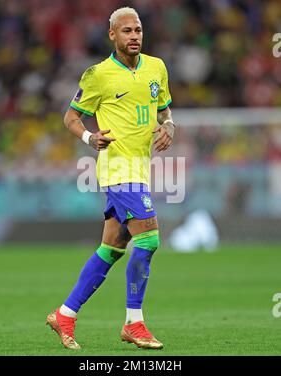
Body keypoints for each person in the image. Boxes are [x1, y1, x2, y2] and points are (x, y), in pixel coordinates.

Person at [46, 7, 175, 350]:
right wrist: (89, 138)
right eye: (127, 31)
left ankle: (65, 314)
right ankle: (134, 322)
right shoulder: (98, 75)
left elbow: (164, 108)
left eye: (138, 30)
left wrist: (169, 126)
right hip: (117, 169)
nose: (134, 36)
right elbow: (71, 117)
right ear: (112, 35)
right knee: (148, 241)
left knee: (113, 248)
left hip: (140, 169)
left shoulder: (156, 67)